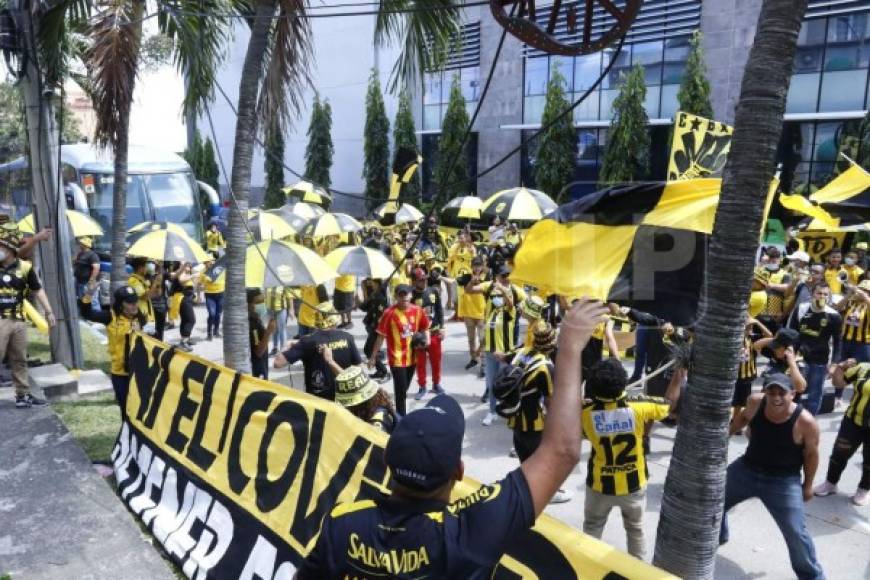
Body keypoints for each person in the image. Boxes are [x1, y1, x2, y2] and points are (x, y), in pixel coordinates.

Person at [296, 300, 608, 579]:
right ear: (458, 472)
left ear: (388, 464)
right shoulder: (469, 532)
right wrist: (568, 347)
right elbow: (562, 452)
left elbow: (561, 453)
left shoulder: (341, 524)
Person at [721, 373, 824, 580]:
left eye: (782, 393)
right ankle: (718, 535)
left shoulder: (806, 422)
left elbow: (811, 455)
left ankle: (812, 576)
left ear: (793, 394)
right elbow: (742, 418)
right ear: (764, 392)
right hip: (747, 469)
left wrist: (808, 486)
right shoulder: (754, 403)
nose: (776, 397)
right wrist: (725, 436)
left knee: (796, 531)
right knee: (713, 499)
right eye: (771, 392)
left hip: (783, 480)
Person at [581, 358, 674, 560]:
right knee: (635, 530)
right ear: (623, 382)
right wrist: (679, 375)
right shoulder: (639, 406)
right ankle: (637, 572)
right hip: (634, 484)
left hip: (599, 485)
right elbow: (669, 405)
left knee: (592, 528)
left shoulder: (585, 414)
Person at [0, 227, 56, 408]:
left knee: (20, 359)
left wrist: (48, 311)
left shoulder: (25, 267)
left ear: (9, 248)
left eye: (1, 245)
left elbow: (37, 289)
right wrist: (37, 238)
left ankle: (23, 396)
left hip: (19, 320)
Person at [466, 265, 527, 426]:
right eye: (503, 275)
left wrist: (506, 292)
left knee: (508, 381)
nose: (506, 278)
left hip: (506, 350)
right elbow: (470, 290)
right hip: (490, 349)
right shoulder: (490, 295)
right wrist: (472, 282)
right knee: (492, 382)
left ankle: (511, 410)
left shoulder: (512, 299)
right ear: (497, 276)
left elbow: (516, 304)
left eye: (508, 275)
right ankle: (492, 411)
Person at [274, 302, 362, 400]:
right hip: (345, 398)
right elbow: (359, 369)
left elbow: (278, 363)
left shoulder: (307, 341)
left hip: (318, 401)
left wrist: (287, 345)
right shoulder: (348, 338)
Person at [80, 285, 145, 417]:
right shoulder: (110, 317)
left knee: (140, 410)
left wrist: (139, 333)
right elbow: (87, 313)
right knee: (126, 410)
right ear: (121, 305)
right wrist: (89, 294)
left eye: (135, 301)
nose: (134, 305)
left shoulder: (140, 317)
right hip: (120, 373)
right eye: (130, 303)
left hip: (139, 371)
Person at [813, 358, 870, 506]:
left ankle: (863, 489)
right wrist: (840, 367)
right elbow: (838, 383)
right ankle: (831, 483)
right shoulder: (863, 368)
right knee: (839, 454)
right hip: (852, 421)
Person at [368, 284, 430, 416]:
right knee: (401, 392)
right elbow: (380, 337)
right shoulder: (389, 313)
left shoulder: (418, 310)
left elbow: (425, 327)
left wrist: (427, 341)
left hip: (413, 357)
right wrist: (373, 357)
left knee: (403, 390)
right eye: (400, 295)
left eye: (406, 294)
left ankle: (396, 411)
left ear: (411, 295)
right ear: (396, 296)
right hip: (396, 360)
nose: (404, 297)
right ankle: (400, 418)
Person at [788, 283, 842, 415]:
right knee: (795, 392)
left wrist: (834, 363)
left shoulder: (834, 315)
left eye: (825, 294)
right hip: (799, 359)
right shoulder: (801, 309)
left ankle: (809, 421)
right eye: (819, 293)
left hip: (819, 360)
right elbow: (792, 334)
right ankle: (792, 421)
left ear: (829, 296)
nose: (822, 296)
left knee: (815, 394)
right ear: (813, 293)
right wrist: (790, 356)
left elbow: (838, 342)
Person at [733, 317, 773, 432]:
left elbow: (769, 335)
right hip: (735, 375)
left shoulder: (753, 338)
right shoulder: (735, 338)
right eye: (747, 326)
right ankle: (735, 422)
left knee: (742, 402)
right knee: (735, 402)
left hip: (748, 376)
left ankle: (736, 423)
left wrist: (757, 322)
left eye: (751, 327)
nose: (750, 328)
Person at [412, 268, 445, 399]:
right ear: (414, 281)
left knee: (436, 361)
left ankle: (436, 384)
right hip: (419, 335)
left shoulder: (433, 291)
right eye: (420, 280)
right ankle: (422, 386)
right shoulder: (411, 295)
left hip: (434, 332)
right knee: (420, 363)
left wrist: (442, 328)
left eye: (425, 279)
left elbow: (439, 311)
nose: (423, 282)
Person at [333, 366, 397, 434]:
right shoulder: (375, 405)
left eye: (347, 404)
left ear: (357, 404)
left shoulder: (377, 424)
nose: (345, 407)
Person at [457, 256, 487, 374]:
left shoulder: (487, 278)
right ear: (472, 266)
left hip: (481, 312)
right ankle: (474, 359)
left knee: (483, 339)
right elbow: (457, 283)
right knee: (471, 339)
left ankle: (483, 364)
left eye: (479, 265)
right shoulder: (466, 277)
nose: (477, 267)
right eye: (475, 265)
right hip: (468, 312)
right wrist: (471, 281)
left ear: (482, 266)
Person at [359, 277, 389, 382]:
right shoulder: (374, 294)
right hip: (373, 327)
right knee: (369, 350)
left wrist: (377, 330)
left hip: (377, 329)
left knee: (369, 350)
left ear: (377, 283)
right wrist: (358, 299)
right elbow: (365, 307)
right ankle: (380, 370)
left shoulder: (380, 297)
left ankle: (383, 371)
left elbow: (381, 316)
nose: (370, 283)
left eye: (372, 281)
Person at [247, 289, 276, 379]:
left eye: (263, 301)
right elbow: (258, 352)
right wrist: (268, 332)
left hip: (262, 365)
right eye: (258, 302)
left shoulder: (257, 320)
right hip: (257, 370)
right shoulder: (252, 326)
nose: (262, 304)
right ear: (249, 305)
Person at [171, 262, 197, 351]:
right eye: (185, 265)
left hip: (187, 298)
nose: (188, 267)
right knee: (191, 320)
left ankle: (185, 339)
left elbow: (193, 285)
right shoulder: (180, 273)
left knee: (185, 319)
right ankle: (183, 342)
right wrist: (192, 276)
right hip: (183, 298)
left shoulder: (187, 274)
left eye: (189, 265)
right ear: (180, 266)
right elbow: (181, 281)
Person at [127, 257, 160, 323]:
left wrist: (157, 285)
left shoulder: (142, 279)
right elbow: (144, 296)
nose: (147, 268)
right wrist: (154, 284)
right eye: (145, 266)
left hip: (147, 315)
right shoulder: (133, 280)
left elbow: (154, 294)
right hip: (141, 316)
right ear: (140, 268)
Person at [73, 236, 100, 311]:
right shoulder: (80, 254)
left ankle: (97, 317)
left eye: (81, 243)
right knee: (82, 299)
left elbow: (96, 268)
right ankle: (85, 315)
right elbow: (77, 262)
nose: (79, 245)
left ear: (85, 245)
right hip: (79, 281)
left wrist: (91, 281)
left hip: (87, 282)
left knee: (92, 300)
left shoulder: (92, 255)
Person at [265, 286, 293, 355]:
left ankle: (283, 351)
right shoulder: (268, 283)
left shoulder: (282, 283)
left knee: (282, 330)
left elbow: (289, 297)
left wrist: (291, 309)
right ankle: (275, 348)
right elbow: (265, 295)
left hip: (281, 309)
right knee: (274, 330)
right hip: (270, 309)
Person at [202, 263, 225, 340]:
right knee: (212, 314)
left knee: (218, 314)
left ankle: (216, 331)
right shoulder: (203, 272)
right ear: (205, 264)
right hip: (209, 295)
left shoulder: (220, 269)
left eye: (213, 261)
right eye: (209, 262)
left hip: (220, 294)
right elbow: (200, 283)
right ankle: (209, 333)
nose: (211, 263)